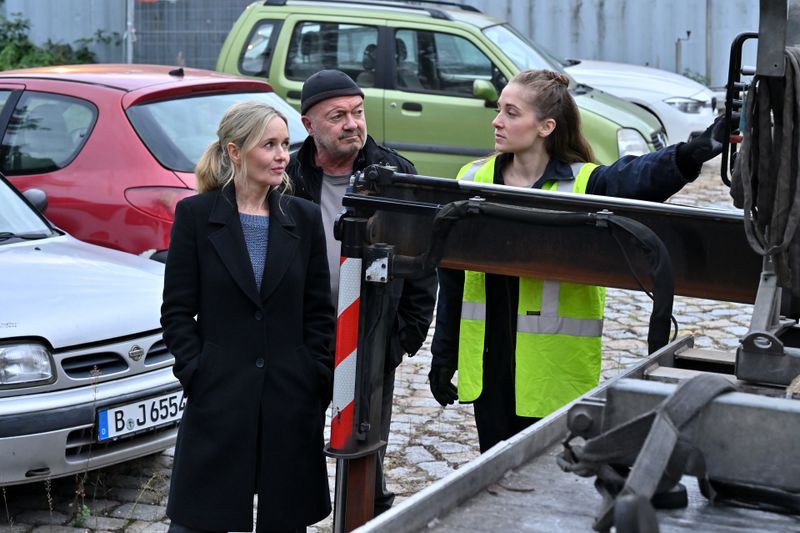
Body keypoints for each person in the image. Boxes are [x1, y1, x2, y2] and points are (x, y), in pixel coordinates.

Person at [428, 69, 731, 453]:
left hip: (553, 376)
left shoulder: (584, 185)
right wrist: (444, 354)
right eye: (499, 110)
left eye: (511, 112)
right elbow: (452, 278)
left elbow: (639, 177)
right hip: (490, 375)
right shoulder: (473, 179)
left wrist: (692, 153)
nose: (497, 120)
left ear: (546, 127)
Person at [161, 101, 335, 533]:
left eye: (284, 144)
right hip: (218, 393)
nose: (282, 155)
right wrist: (197, 371)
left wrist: (314, 377)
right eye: (269, 145)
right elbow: (177, 310)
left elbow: (318, 312)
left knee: (285, 519)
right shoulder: (196, 217)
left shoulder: (304, 217)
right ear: (235, 152)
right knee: (200, 519)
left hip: (290, 396)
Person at [286, 69, 437, 515]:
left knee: (366, 446)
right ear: (309, 124)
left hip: (372, 337)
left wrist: (403, 337)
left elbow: (423, 265)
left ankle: (367, 517)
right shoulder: (288, 176)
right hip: (304, 338)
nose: (352, 123)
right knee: (294, 442)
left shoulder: (395, 174)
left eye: (357, 112)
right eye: (337, 116)